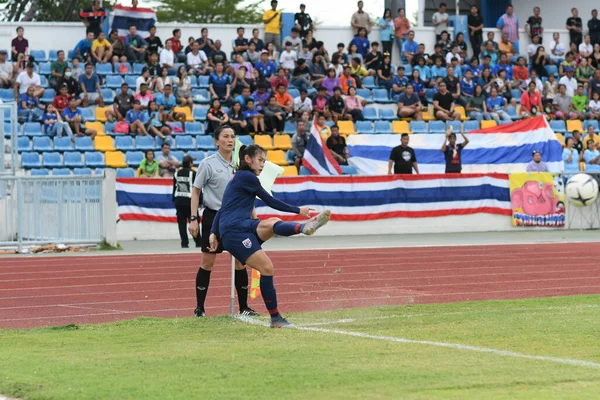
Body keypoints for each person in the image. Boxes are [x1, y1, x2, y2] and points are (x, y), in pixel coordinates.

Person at [202, 143, 331, 327]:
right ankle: (276, 319)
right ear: (248, 159)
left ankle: (304, 228)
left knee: (272, 222)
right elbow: (269, 200)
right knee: (267, 268)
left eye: (265, 161)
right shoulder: (247, 176)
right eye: (260, 160)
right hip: (234, 231)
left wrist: (214, 232)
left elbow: (223, 207)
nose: (263, 165)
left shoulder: (239, 177)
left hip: (241, 225)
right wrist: (298, 209)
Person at [188, 127, 258, 317]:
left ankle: (244, 308)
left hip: (238, 217)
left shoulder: (241, 164)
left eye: (233, 137)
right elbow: (195, 191)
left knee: (241, 263)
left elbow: (248, 192)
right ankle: (200, 308)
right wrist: (193, 218)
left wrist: (253, 215)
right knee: (207, 262)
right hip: (213, 217)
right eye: (226, 137)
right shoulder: (207, 164)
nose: (230, 140)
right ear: (216, 141)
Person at [172, 155, 202, 249]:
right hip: (190, 201)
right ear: (190, 163)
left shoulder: (176, 173)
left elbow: (174, 188)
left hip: (179, 201)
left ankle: (184, 243)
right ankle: (198, 242)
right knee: (194, 221)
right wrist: (200, 201)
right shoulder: (193, 173)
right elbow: (197, 189)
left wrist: (174, 199)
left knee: (181, 224)